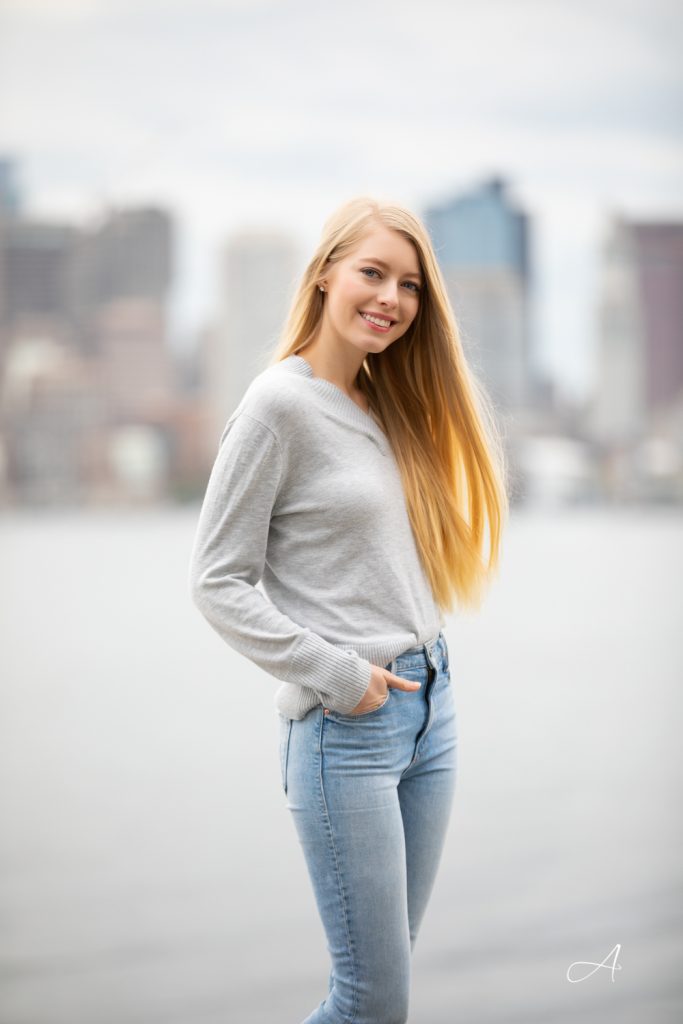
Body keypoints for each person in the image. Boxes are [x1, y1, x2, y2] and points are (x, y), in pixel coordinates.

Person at [188, 195, 508, 1023]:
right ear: (325, 273)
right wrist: (337, 674)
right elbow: (216, 580)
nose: (390, 298)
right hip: (348, 729)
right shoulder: (275, 407)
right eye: (372, 272)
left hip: (429, 712)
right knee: (372, 1003)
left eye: (408, 286)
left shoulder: (384, 400)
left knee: (379, 988)